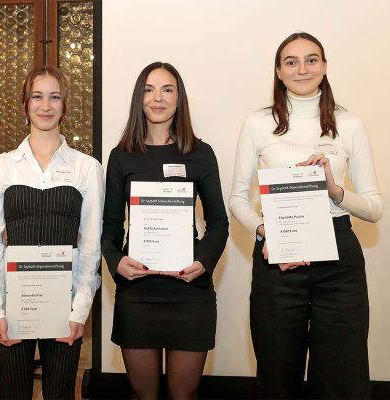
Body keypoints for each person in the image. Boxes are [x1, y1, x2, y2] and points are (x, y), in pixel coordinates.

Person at [229, 32, 383, 399]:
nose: (302, 69)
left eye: (311, 60)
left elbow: (375, 208)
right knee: (277, 375)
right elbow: (237, 199)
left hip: (339, 259)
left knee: (341, 378)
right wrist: (268, 234)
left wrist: (335, 191)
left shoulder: (350, 123)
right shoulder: (257, 123)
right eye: (291, 62)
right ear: (279, 72)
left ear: (325, 67)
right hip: (279, 260)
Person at [0, 65, 104, 399]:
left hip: (65, 306)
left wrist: (79, 312)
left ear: (65, 106)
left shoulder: (87, 168)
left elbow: (90, 248)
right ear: (25, 104)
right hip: (11, 305)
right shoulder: (0, 166)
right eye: (37, 96)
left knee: (60, 394)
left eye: (54, 97)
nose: (45, 105)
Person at [101, 61, 229, 399]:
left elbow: (219, 222)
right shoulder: (121, 156)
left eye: (167, 89)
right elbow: (111, 225)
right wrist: (116, 262)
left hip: (190, 292)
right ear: (139, 98)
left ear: (178, 98)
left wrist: (204, 261)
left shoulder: (200, 154)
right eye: (149, 89)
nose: (158, 98)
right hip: (138, 293)